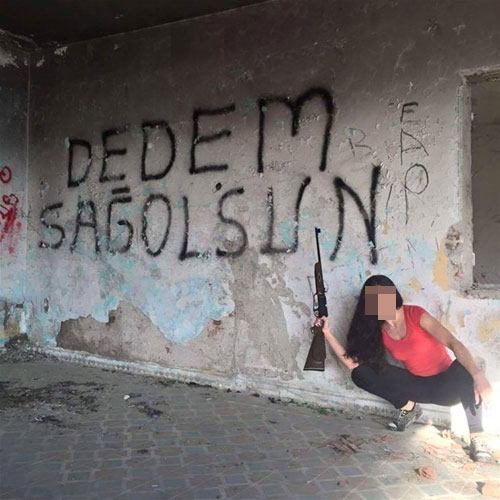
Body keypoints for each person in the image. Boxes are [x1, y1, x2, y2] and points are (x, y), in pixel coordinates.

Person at [314, 274, 495, 463]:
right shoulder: (379, 330)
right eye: (373, 301)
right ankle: (409, 409)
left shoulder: (415, 315)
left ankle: (477, 438)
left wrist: (478, 376)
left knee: (463, 367)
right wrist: (327, 333)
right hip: (417, 386)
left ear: (393, 296)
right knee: (360, 373)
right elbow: (352, 363)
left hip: (446, 386)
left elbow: (453, 343)